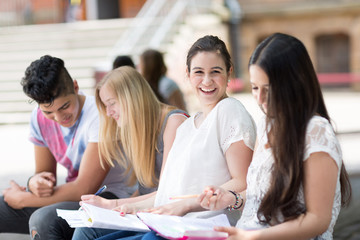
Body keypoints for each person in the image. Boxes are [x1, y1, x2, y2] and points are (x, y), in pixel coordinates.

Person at [94, 35, 257, 240]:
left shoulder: (229, 110)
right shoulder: (187, 126)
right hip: (172, 224)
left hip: (205, 226)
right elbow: (167, 194)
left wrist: (188, 204)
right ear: (187, 75)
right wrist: (115, 205)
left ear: (229, 72)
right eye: (199, 72)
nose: (207, 81)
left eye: (215, 72)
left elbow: (243, 182)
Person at [198, 32, 352, 239]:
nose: (260, 99)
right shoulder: (266, 124)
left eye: (268, 89)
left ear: (295, 84)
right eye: (254, 88)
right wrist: (230, 198)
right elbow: (262, 199)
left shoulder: (316, 131)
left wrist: (254, 237)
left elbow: (317, 220)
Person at [0, 55, 135, 239]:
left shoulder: (99, 114)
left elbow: (84, 188)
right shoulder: (38, 117)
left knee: (44, 220)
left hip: (109, 198)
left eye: (65, 106)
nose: (58, 117)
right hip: (74, 197)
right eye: (48, 111)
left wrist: (22, 199)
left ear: (76, 86)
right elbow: (47, 177)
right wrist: (34, 182)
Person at [71, 66, 188, 239]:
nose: (109, 113)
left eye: (111, 103)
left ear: (131, 97)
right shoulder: (137, 128)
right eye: (105, 106)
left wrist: (110, 204)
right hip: (146, 214)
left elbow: (166, 193)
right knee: (84, 229)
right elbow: (143, 189)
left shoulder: (174, 122)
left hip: (165, 217)